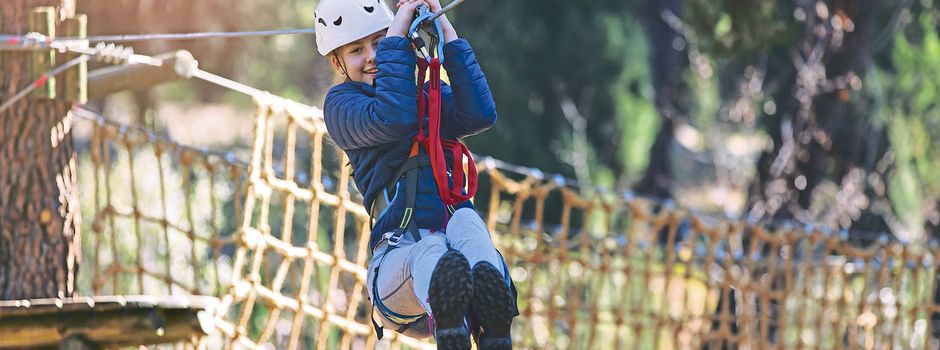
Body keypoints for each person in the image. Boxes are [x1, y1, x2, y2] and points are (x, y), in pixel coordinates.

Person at [314, 0, 517, 349]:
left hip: (458, 246)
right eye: (357, 50)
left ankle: (491, 323)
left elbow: (479, 114)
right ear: (338, 63)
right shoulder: (341, 106)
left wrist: (445, 31)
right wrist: (396, 37)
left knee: (467, 222)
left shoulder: (426, 95)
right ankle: (449, 320)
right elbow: (393, 117)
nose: (373, 57)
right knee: (432, 250)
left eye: (379, 42)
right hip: (400, 262)